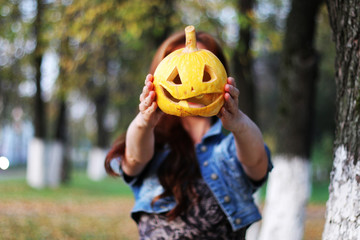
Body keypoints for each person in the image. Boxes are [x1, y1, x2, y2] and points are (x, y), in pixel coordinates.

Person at [105, 29, 272, 240]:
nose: (191, 85)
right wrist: (144, 121)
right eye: (178, 75)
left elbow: (257, 163)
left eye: (202, 73)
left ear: (223, 78)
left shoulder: (233, 146)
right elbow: (134, 158)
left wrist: (238, 122)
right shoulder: (152, 143)